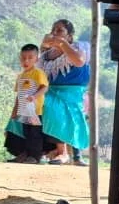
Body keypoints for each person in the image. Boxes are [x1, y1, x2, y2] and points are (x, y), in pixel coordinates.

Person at [38, 20, 90, 164]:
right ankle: (54, 152)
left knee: (63, 112)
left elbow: (79, 61)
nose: (55, 33)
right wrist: (43, 46)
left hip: (74, 93)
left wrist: (62, 44)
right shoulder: (47, 55)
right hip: (53, 91)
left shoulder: (79, 47)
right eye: (53, 30)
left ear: (70, 36)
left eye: (60, 31)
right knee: (44, 107)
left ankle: (71, 154)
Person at [8, 43, 48, 163]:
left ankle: (35, 157)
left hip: (35, 111)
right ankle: (25, 155)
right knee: (25, 133)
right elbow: (19, 94)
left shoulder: (38, 73)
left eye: (30, 58)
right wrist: (14, 111)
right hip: (23, 111)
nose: (26, 61)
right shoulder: (20, 76)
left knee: (35, 134)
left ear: (37, 58)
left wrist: (34, 96)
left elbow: (44, 87)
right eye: (24, 58)